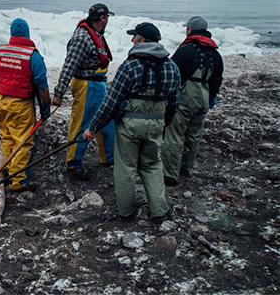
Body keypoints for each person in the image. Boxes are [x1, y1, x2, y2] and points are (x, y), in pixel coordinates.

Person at [82, 22, 181, 221]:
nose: (132, 39)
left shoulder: (130, 66)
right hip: (156, 124)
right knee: (152, 165)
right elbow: (174, 103)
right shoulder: (172, 67)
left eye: (134, 36)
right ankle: (159, 210)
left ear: (142, 40)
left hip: (129, 125)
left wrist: (93, 128)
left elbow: (111, 102)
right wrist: (163, 124)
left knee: (126, 167)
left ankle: (126, 211)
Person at [0, 18, 51, 192]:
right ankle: (19, 181)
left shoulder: (1, 52)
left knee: (7, 137)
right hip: (21, 105)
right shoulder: (31, 55)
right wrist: (46, 104)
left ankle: (9, 169)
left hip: (3, 101)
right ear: (27, 33)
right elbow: (41, 83)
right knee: (24, 142)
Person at [52, 3, 115, 180]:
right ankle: (73, 163)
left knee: (107, 121)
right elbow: (69, 66)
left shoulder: (95, 34)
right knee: (82, 124)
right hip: (87, 85)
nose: (108, 20)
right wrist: (59, 93)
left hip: (98, 84)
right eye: (107, 17)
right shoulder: (82, 37)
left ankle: (109, 158)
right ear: (102, 18)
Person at [161, 16, 224, 186]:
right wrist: (212, 97)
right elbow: (217, 78)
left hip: (185, 96)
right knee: (194, 135)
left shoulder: (186, 50)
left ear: (189, 30)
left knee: (175, 135)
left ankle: (170, 174)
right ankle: (186, 169)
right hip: (204, 96)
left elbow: (172, 71)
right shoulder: (215, 53)